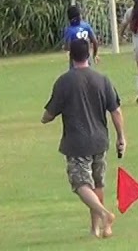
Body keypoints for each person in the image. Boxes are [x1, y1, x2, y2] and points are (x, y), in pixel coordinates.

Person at [42, 39, 127, 239]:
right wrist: (121, 137)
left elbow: (50, 113)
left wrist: (44, 118)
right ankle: (98, 229)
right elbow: (115, 111)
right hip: (100, 140)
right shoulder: (102, 79)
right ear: (88, 54)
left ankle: (105, 215)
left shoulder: (64, 81)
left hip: (77, 142)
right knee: (98, 183)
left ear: (70, 55)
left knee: (80, 184)